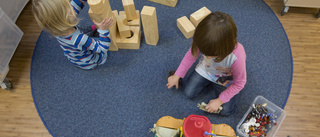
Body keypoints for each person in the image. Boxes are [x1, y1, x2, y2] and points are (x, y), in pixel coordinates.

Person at [167, 12, 246, 116]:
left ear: (226, 48)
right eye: (204, 53)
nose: (207, 57)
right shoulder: (204, 40)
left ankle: (218, 91)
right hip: (206, 70)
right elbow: (190, 56)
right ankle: (210, 83)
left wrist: (219, 101)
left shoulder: (237, 56)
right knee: (188, 92)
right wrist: (177, 75)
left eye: (213, 55)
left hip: (225, 78)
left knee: (226, 111)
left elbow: (240, 83)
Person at [32, 0, 114, 70]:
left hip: (73, 56)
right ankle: (96, 60)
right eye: (69, 7)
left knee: (84, 30)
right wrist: (104, 30)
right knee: (101, 49)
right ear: (63, 20)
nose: (72, 6)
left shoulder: (56, 28)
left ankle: (93, 29)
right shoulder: (79, 39)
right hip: (88, 62)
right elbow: (102, 48)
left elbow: (75, 6)